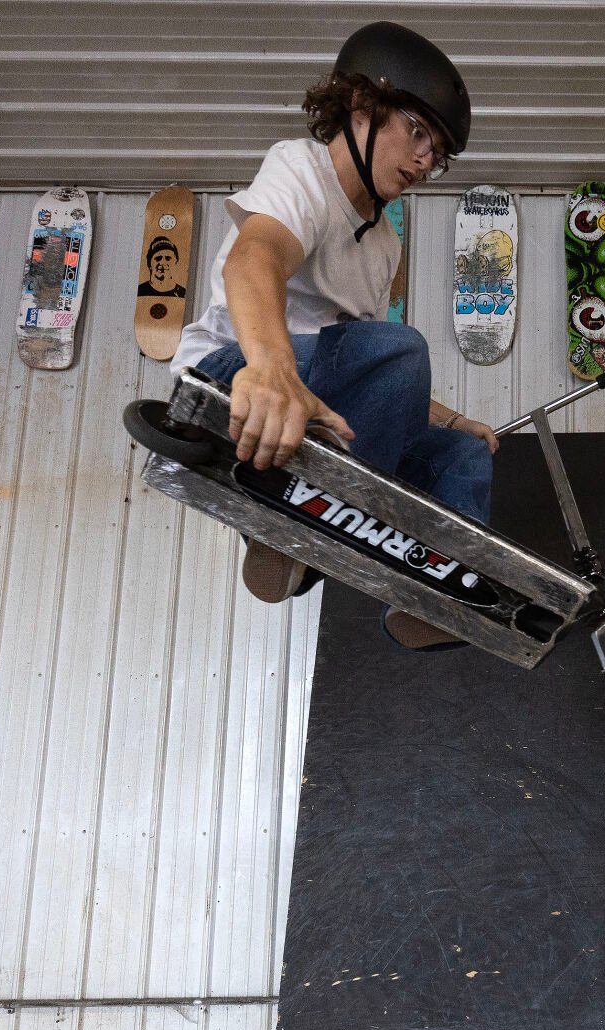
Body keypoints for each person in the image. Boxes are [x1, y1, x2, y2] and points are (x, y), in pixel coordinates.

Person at [171, 21, 497, 650]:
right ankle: (301, 512)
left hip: (315, 402)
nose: (427, 161)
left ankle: (435, 596)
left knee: (461, 457)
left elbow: (370, 371)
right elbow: (254, 259)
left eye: (438, 153)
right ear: (361, 106)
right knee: (404, 347)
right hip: (226, 382)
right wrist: (270, 370)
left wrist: (452, 423)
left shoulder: (383, 245)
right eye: (418, 133)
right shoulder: (301, 169)